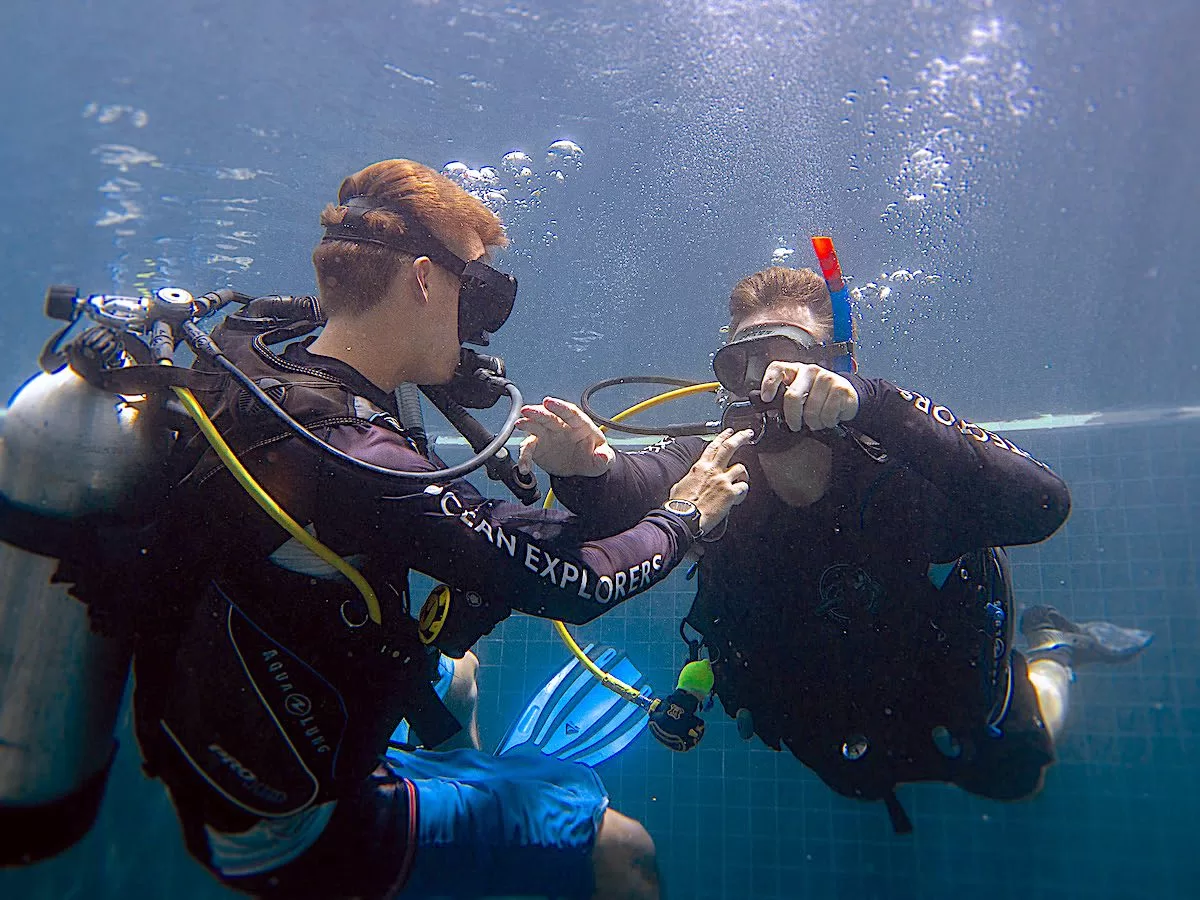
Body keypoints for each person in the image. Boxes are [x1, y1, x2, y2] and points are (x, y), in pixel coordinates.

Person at [126, 158, 754, 899]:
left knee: (458, 676)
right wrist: (686, 514)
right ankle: (471, 839)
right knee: (624, 846)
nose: (482, 324)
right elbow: (579, 587)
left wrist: (432, 362)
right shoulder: (356, 454)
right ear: (424, 281)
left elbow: (338, 312)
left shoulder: (248, 352)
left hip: (217, 759)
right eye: (480, 295)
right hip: (296, 829)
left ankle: (471, 817)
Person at [519, 265, 1152, 831]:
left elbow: (1043, 506)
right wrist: (584, 470)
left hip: (945, 693)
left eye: (784, 360)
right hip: (820, 716)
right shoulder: (718, 466)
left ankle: (1051, 653)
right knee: (855, 783)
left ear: (834, 367)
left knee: (1018, 775)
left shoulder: (902, 468)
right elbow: (631, 491)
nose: (762, 383)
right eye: (742, 363)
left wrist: (877, 406)